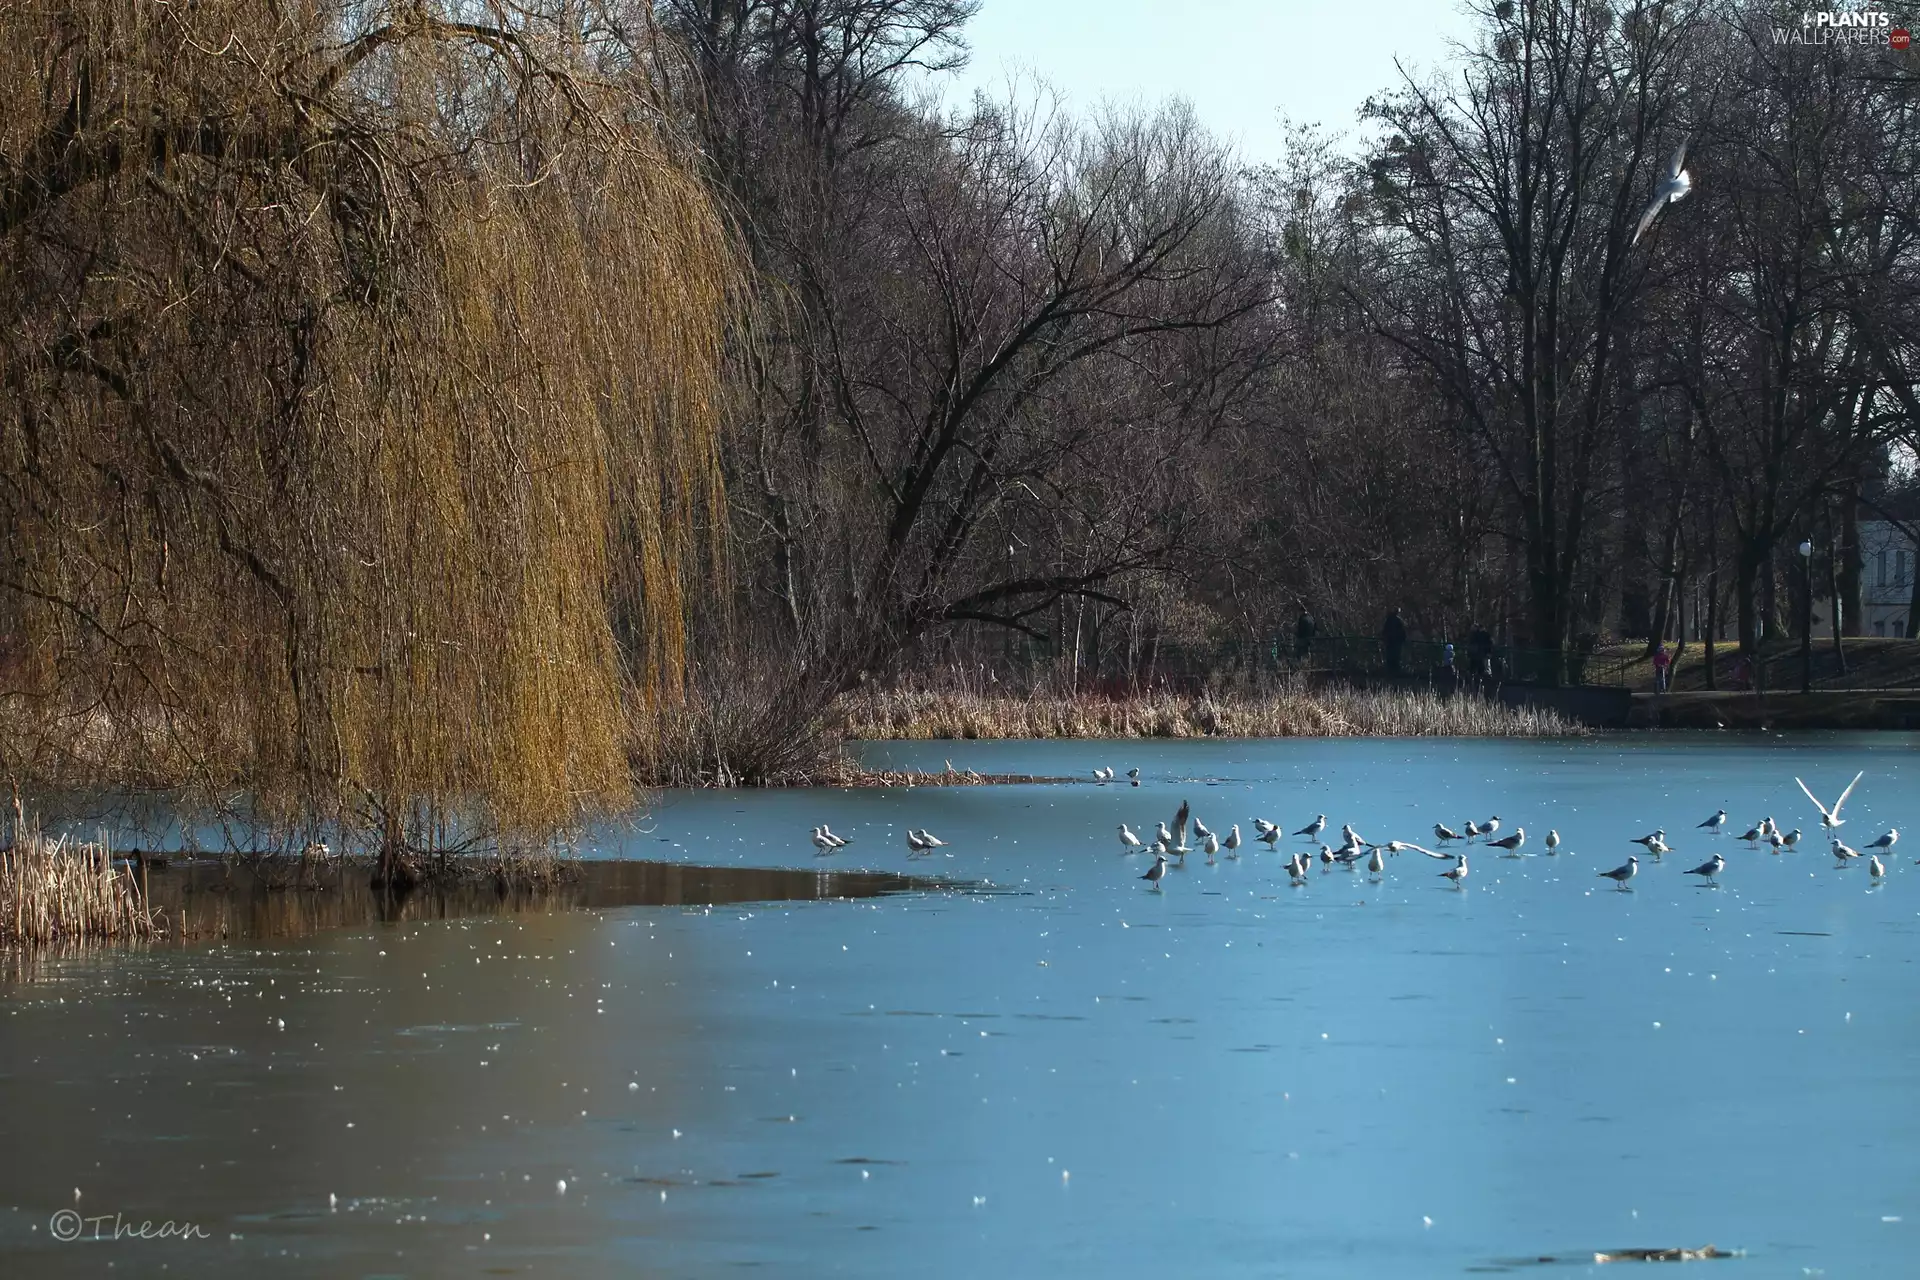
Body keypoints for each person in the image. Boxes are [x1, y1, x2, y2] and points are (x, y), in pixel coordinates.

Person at [1381, 608, 1408, 677]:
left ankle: (1390, 672)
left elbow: (1385, 631)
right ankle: (1395, 673)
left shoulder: (1389, 620)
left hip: (1390, 642)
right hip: (1396, 643)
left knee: (1390, 657)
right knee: (1396, 657)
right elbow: (1402, 632)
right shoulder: (1398, 621)